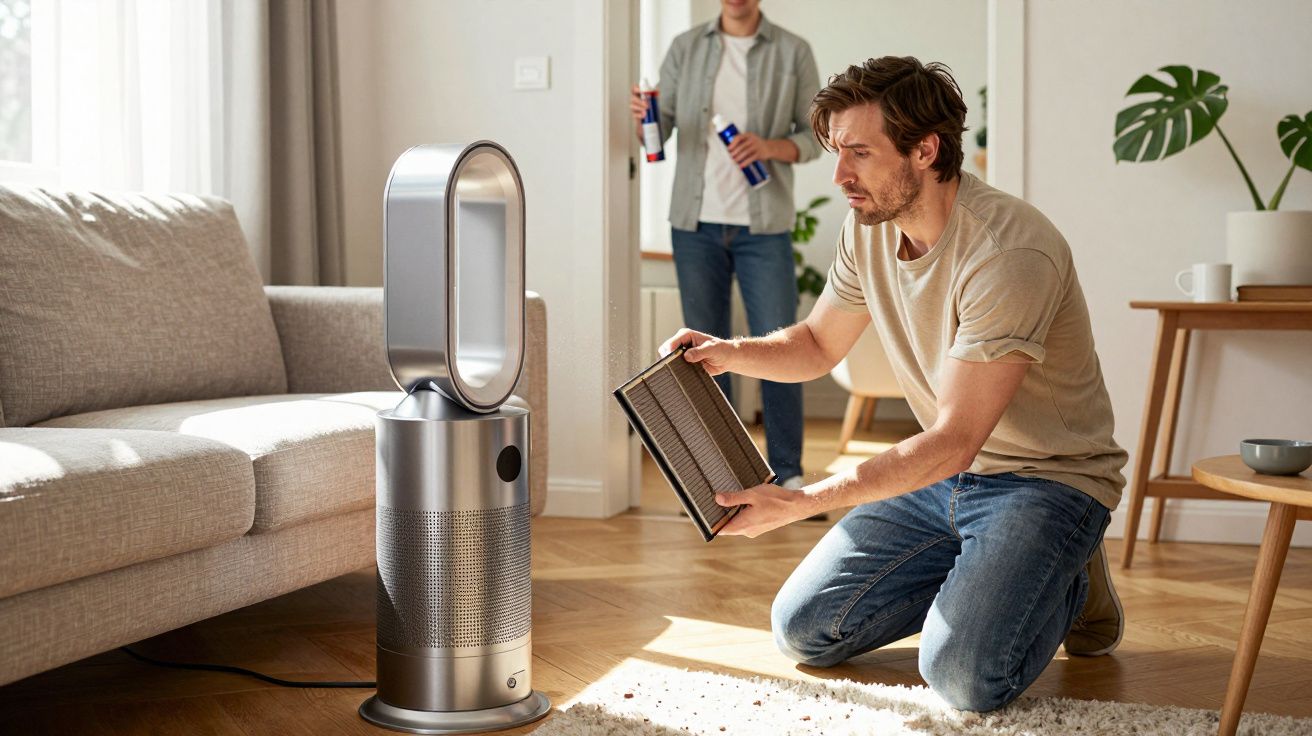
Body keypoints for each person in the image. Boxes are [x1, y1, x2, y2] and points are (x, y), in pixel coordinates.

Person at [660, 56, 1128, 712]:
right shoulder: (870, 227)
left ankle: (1068, 578)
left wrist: (802, 500)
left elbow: (955, 440)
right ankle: (1010, 573)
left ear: (925, 150)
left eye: (858, 152)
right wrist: (727, 353)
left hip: (1046, 481)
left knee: (963, 675)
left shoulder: (1009, 252)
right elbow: (819, 343)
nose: (840, 174)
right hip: (943, 483)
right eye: (834, 151)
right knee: (804, 629)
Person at [632, 0, 821, 490]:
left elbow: (815, 136)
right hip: (695, 226)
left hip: (765, 227)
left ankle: (790, 474)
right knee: (703, 351)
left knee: (780, 345)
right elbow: (660, 131)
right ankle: (723, 475)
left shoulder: (793, 51)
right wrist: (645, 118)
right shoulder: (685, 47)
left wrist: (769, 146)